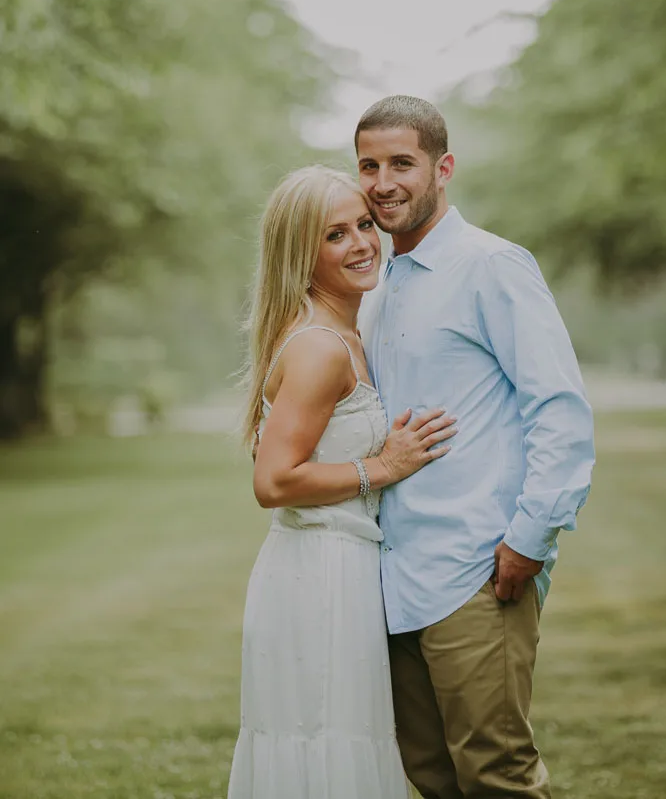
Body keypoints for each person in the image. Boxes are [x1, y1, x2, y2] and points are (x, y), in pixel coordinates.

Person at [355, 95, 596, 799]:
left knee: (495, 775)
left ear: (443, 166)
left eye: (402, 162)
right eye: (368, 165)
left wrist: (530, 537)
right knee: (430, 778)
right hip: (392, 580)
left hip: (475, 569)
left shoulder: (493, 265)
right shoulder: (376, 285)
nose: (383, 181)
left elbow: (558, 408)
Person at [227, 165, 457, 799]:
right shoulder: (319, 347)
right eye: (335, 235)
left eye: (363, 225)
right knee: (328, 749)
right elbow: (273, 480)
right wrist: (382, 468)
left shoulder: (350, 330)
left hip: (346, 565)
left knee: (344, 749)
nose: (362, 243)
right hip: (318, 577)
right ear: (301, 255)